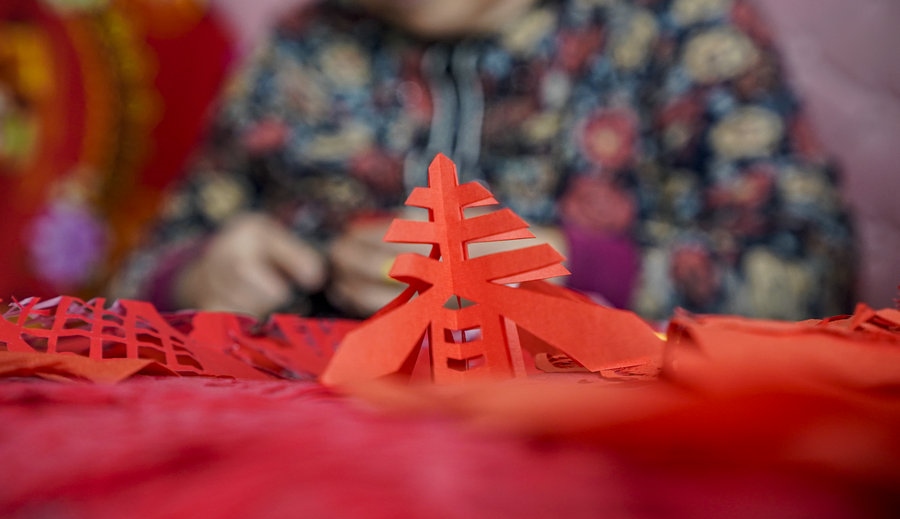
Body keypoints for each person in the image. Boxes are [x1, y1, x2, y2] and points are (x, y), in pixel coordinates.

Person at [112, 0, 856, 323]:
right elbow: (130, 283)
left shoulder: (677, 27)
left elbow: (813, 271)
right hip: (309, 451)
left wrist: (567, 270)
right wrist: (196, 278)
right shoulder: (299, 52)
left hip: (612, 464)